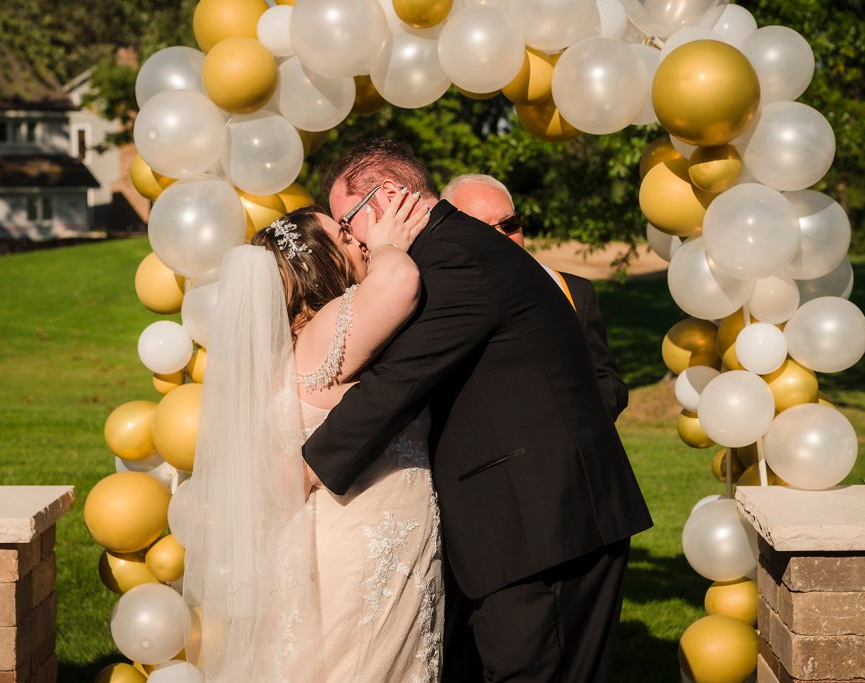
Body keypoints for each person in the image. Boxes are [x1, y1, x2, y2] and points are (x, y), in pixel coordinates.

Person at [303, 138, 653, 682]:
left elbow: (399, 383)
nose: (350, 240)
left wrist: (309, 465)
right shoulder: (450, 249)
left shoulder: (457, 258)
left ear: (388, 196)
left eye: (349, 223)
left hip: (544, 525)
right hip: (540, 520)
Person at [183, 189, 444, 682]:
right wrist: (390, 244)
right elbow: (401, 280)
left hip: (364, 539)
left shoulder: (299, 343)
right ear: (321, 263)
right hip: (367, 548)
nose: (360, 240)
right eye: (344, 236)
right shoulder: (326, 330)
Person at [441, 173, 629, 420]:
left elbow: (608, 381)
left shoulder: (573, 291)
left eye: (510, 225)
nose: (503, 237)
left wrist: (578, 422)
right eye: (483, 229)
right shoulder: (439, 300)